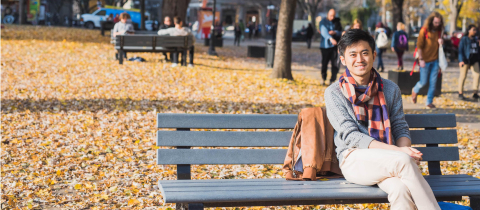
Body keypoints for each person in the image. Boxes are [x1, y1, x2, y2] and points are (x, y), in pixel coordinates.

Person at [325, 29, 441, 210]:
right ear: (343, 60)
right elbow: (351, 137)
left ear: (374, 54)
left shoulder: (390, 88)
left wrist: (403, 148)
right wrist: (399, 152)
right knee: (403, 161)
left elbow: (399, 126)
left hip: (389, 160)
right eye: (353, 54)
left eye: (364, 53)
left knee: (400, 190)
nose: (359, 59)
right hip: (353, 159)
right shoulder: (334, 93)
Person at [412, 12, 444, 109]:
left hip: (435, 61)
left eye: (439, 22)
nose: (437, 24)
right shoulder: (424, 31)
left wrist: (441, 42)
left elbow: (440, 48)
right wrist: (420, 59)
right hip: (424, 61)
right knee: (423, 82)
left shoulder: (439, 31)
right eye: (435, 22)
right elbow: (420, 47)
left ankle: (429, 102)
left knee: (433, 83)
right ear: (431, 21)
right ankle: (415, 89)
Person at [319, 9, 342, 85]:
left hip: (334, 47)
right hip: (325, 46)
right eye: (331, 15)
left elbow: (340, 31)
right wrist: (331, 38)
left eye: (334, 16)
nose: (332, 17)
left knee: (335, 64)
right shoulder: (323, 22)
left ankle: (332, 80)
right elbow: (324, 32)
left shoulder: (337, 22)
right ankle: (323, 78)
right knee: (324, 63)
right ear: (328, 14)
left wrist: (335, 32)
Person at [458, 25, 480, 100]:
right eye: (473, 30)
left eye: (475, 30)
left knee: (477, 75)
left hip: (474, 60)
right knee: (463, 76)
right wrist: (461, 60)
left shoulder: (476, 39)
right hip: (465, 60)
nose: (475, 31)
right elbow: (460, 50)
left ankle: (475, 92)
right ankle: (460, 92)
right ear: (469, 30)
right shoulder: (464, 39)